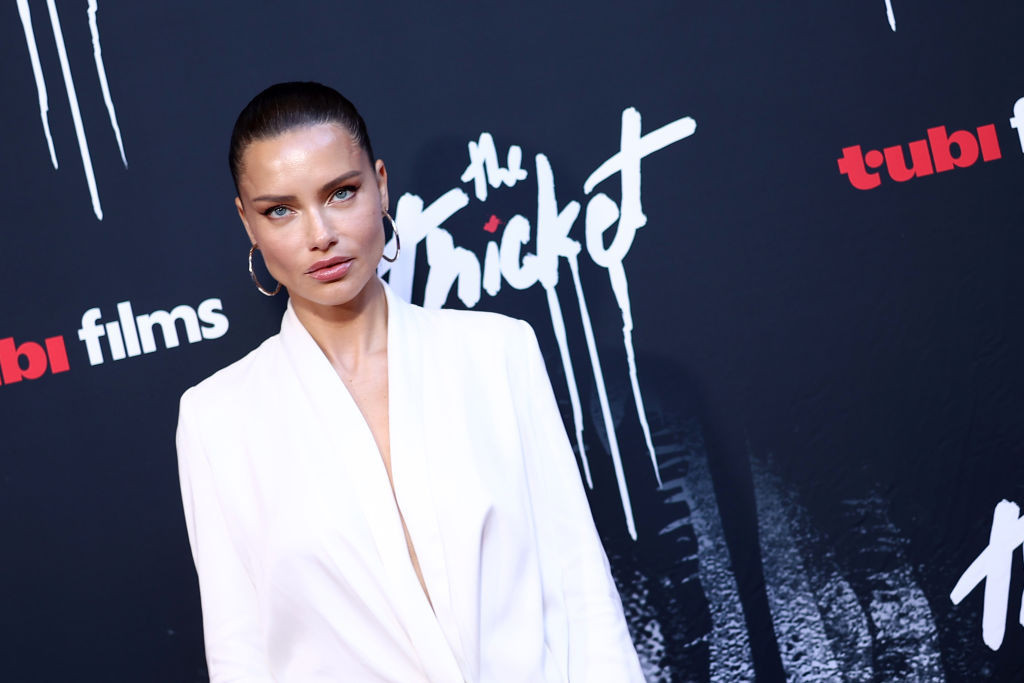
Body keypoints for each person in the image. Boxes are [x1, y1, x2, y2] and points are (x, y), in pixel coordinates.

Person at [175, 81, 645, 682]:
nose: (320, 234)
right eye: (280, 210)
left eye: (341, 193)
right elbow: (240, 655)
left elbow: (580, 586)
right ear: (248, 221)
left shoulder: (496, 352)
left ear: (380, 186)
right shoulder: (217, 418)